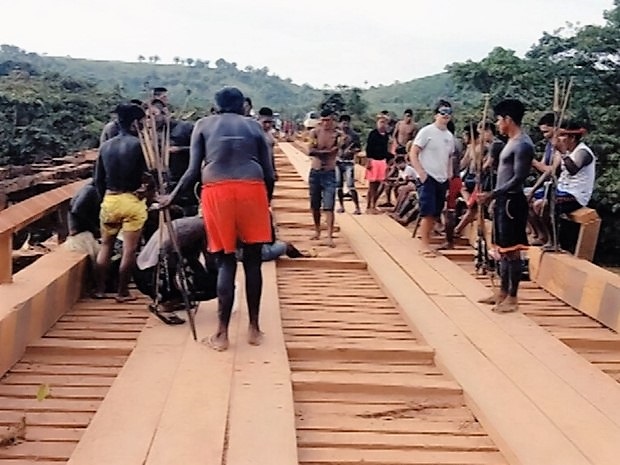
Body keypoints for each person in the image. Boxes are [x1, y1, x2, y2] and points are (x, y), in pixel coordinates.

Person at [160, 86, 274, 351]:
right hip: (252, 189)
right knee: (253, 261)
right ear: (242, 106)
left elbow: (192, 171)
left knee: (225, 262)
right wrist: (265, 201)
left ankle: (221, 335)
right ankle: (254, 329)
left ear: (217, 105)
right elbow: (269, 172)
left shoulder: (203, 124)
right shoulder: (255, 127)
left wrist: (171, 198)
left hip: (217, 191)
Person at [478, 99, 534, 313]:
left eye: (500, 120)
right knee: (501, 250)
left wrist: (493, 194)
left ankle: (512, 296)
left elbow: (519, 178)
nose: (498, 124)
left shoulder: (523, 144)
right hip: (503, 200)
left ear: (508, 120)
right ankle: (502, 292)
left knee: (512, 251)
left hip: (512, 201)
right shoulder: (510, 141)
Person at [93, 103, 148, 302]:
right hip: (131, 200)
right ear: (135, 123)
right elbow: (149, 175)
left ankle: (99, 289)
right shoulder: (140, 145)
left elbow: (98, 179)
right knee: (129, 249)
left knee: (106, 245)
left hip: (110, 199)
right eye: (142, 122)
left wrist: (103, 200)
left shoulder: (106, 146)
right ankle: (122, 292)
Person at [530, 120, 596, 249]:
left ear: (571, 137)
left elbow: (573, 169)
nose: (558, 139)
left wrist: (563, 152)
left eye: (562, 136)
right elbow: (551, 171)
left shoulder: (583, 152)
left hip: (575, 195)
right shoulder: (563, 152)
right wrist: (533, 190)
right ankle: (541, 235)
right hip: (561, 189)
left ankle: (553, 241)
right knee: (527, 198)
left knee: (541, 205)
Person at [408, 100, 455, 256]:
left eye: (448, 112)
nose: (445, 115)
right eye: (442, 112)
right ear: (436, 114)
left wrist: (449, 175)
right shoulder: (426, 131)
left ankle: (427, 241)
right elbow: (413, 152)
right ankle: (424, 244)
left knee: (436, 212)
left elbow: (449, 157)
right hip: (428, 176)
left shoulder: (449, 136)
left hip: (442, 178)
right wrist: (421, 172)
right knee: (427, 211)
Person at [307, 108, 340, 247]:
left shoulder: (337, 135)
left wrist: (321, 152)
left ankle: (329, 235)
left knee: (329, 205)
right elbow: (310, 150)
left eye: (328, 120)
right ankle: (317, 230)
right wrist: (326, 152)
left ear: (332, 120)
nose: (326, 123)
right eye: (324, 120)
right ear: (321, 120)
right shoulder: (314, 132)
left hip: (329, 172)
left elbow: (336, 150)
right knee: (315, 204)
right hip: (315, 171)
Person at [364, 114, 392, 214]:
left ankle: (374, 204)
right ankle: (369, 206)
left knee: (380, 185)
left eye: (384, 122)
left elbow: (386, 149)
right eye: (381, 122)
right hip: (374, 161)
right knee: (372, 185)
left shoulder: (387, 136)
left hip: (382, 161)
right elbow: (368, 148)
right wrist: (368, 161)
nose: (383, 125)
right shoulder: (373, 134)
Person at [335, 114, 362, 215]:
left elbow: (359, 148)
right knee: (339, 185)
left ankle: (357, 207)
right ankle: (341, 206)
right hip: (338, 162)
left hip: (348, 162)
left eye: (346, 123)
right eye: (343, 123)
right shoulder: (336, 135)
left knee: (351, 185)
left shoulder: (354, 135)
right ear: (340, 123)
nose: (345, 125)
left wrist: (352, 151)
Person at [258, 106, 279, 198]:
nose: (267, 125)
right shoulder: (254, 134)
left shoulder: (270, 135)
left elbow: (271, 155)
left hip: (268, 173)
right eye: (265, 122)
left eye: (270, 122)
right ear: (259, 119)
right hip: (258, 174)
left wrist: (274, 170)